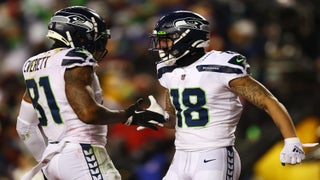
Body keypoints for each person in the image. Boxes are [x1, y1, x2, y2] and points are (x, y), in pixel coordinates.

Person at [148, 10, 306, 180]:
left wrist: (291, 139)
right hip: (180, 157)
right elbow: (175, 120)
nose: (161, 46)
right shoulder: (168, 71)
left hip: (215, 155)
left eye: (166, 40)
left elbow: (267, 101)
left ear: (186, 38)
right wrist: (162, 118)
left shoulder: (219, 65)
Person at [16, 6, 164, 180]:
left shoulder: (33, 65)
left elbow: (24, 127)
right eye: (94, 37)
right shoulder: (76, 58)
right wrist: (128, 116)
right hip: (82, 152)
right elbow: (88, 113)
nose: (98, 44)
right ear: (76, 34)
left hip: (53, 158)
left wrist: (47, 161)